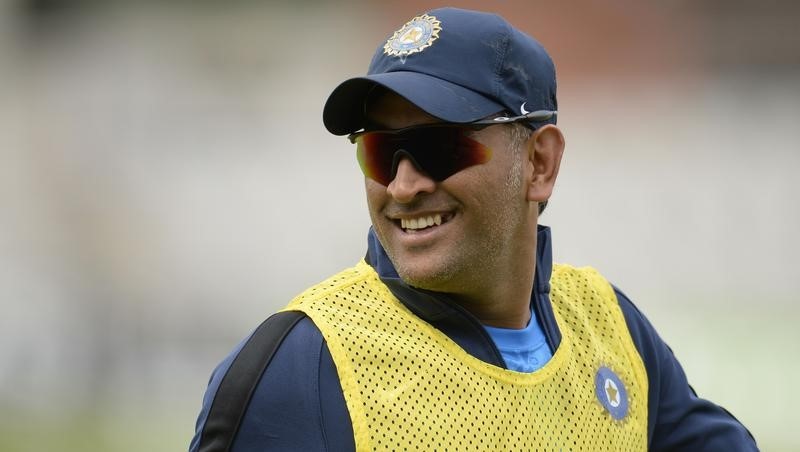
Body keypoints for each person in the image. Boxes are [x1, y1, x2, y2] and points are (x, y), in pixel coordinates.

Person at [190, 7, 757, 451]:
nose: (403, 186)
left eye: (439, 147)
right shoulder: (298, 369)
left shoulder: (612, 328)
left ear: (540, 163)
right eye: (381, 151)